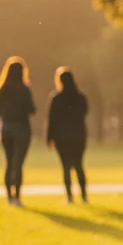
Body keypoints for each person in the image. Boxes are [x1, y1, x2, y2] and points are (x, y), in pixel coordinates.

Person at [0, 56, 36, 207]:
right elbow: (32, 109)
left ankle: (9, 197)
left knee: (9, 162)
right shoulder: (25, 89)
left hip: (6, 128)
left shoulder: (1, 89)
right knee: (18, 163)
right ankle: (16, 195)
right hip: (21, 128)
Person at [46, 67, 89, 203]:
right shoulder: (80, 97)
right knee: (79, 165)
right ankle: (84, 195)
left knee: (66, 167)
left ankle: (69, 196)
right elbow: (85, 112)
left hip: (62, 137)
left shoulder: (56, 98)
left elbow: (51, 119)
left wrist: (49, 137)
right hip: (78, 136)